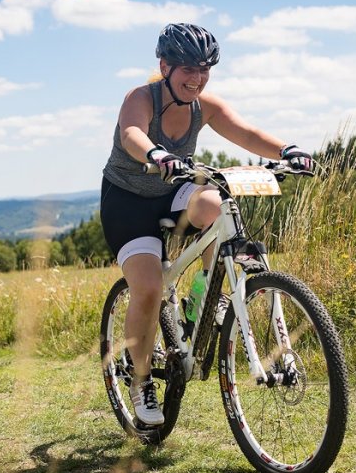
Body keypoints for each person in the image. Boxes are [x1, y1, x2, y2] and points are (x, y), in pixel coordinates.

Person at [101, 23, 314, 426]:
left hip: (175, 190)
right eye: (187, 69)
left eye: (204, 70)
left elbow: (246, 132)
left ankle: (206, 294)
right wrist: (157, 153)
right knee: (147, 288)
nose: (196, 79)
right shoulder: (141, 97)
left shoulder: (205, 106)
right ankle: (140, 379)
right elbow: (131, 133)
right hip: (127, 201)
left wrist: (288, 150)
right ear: (164, 66)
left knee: (217, 202)